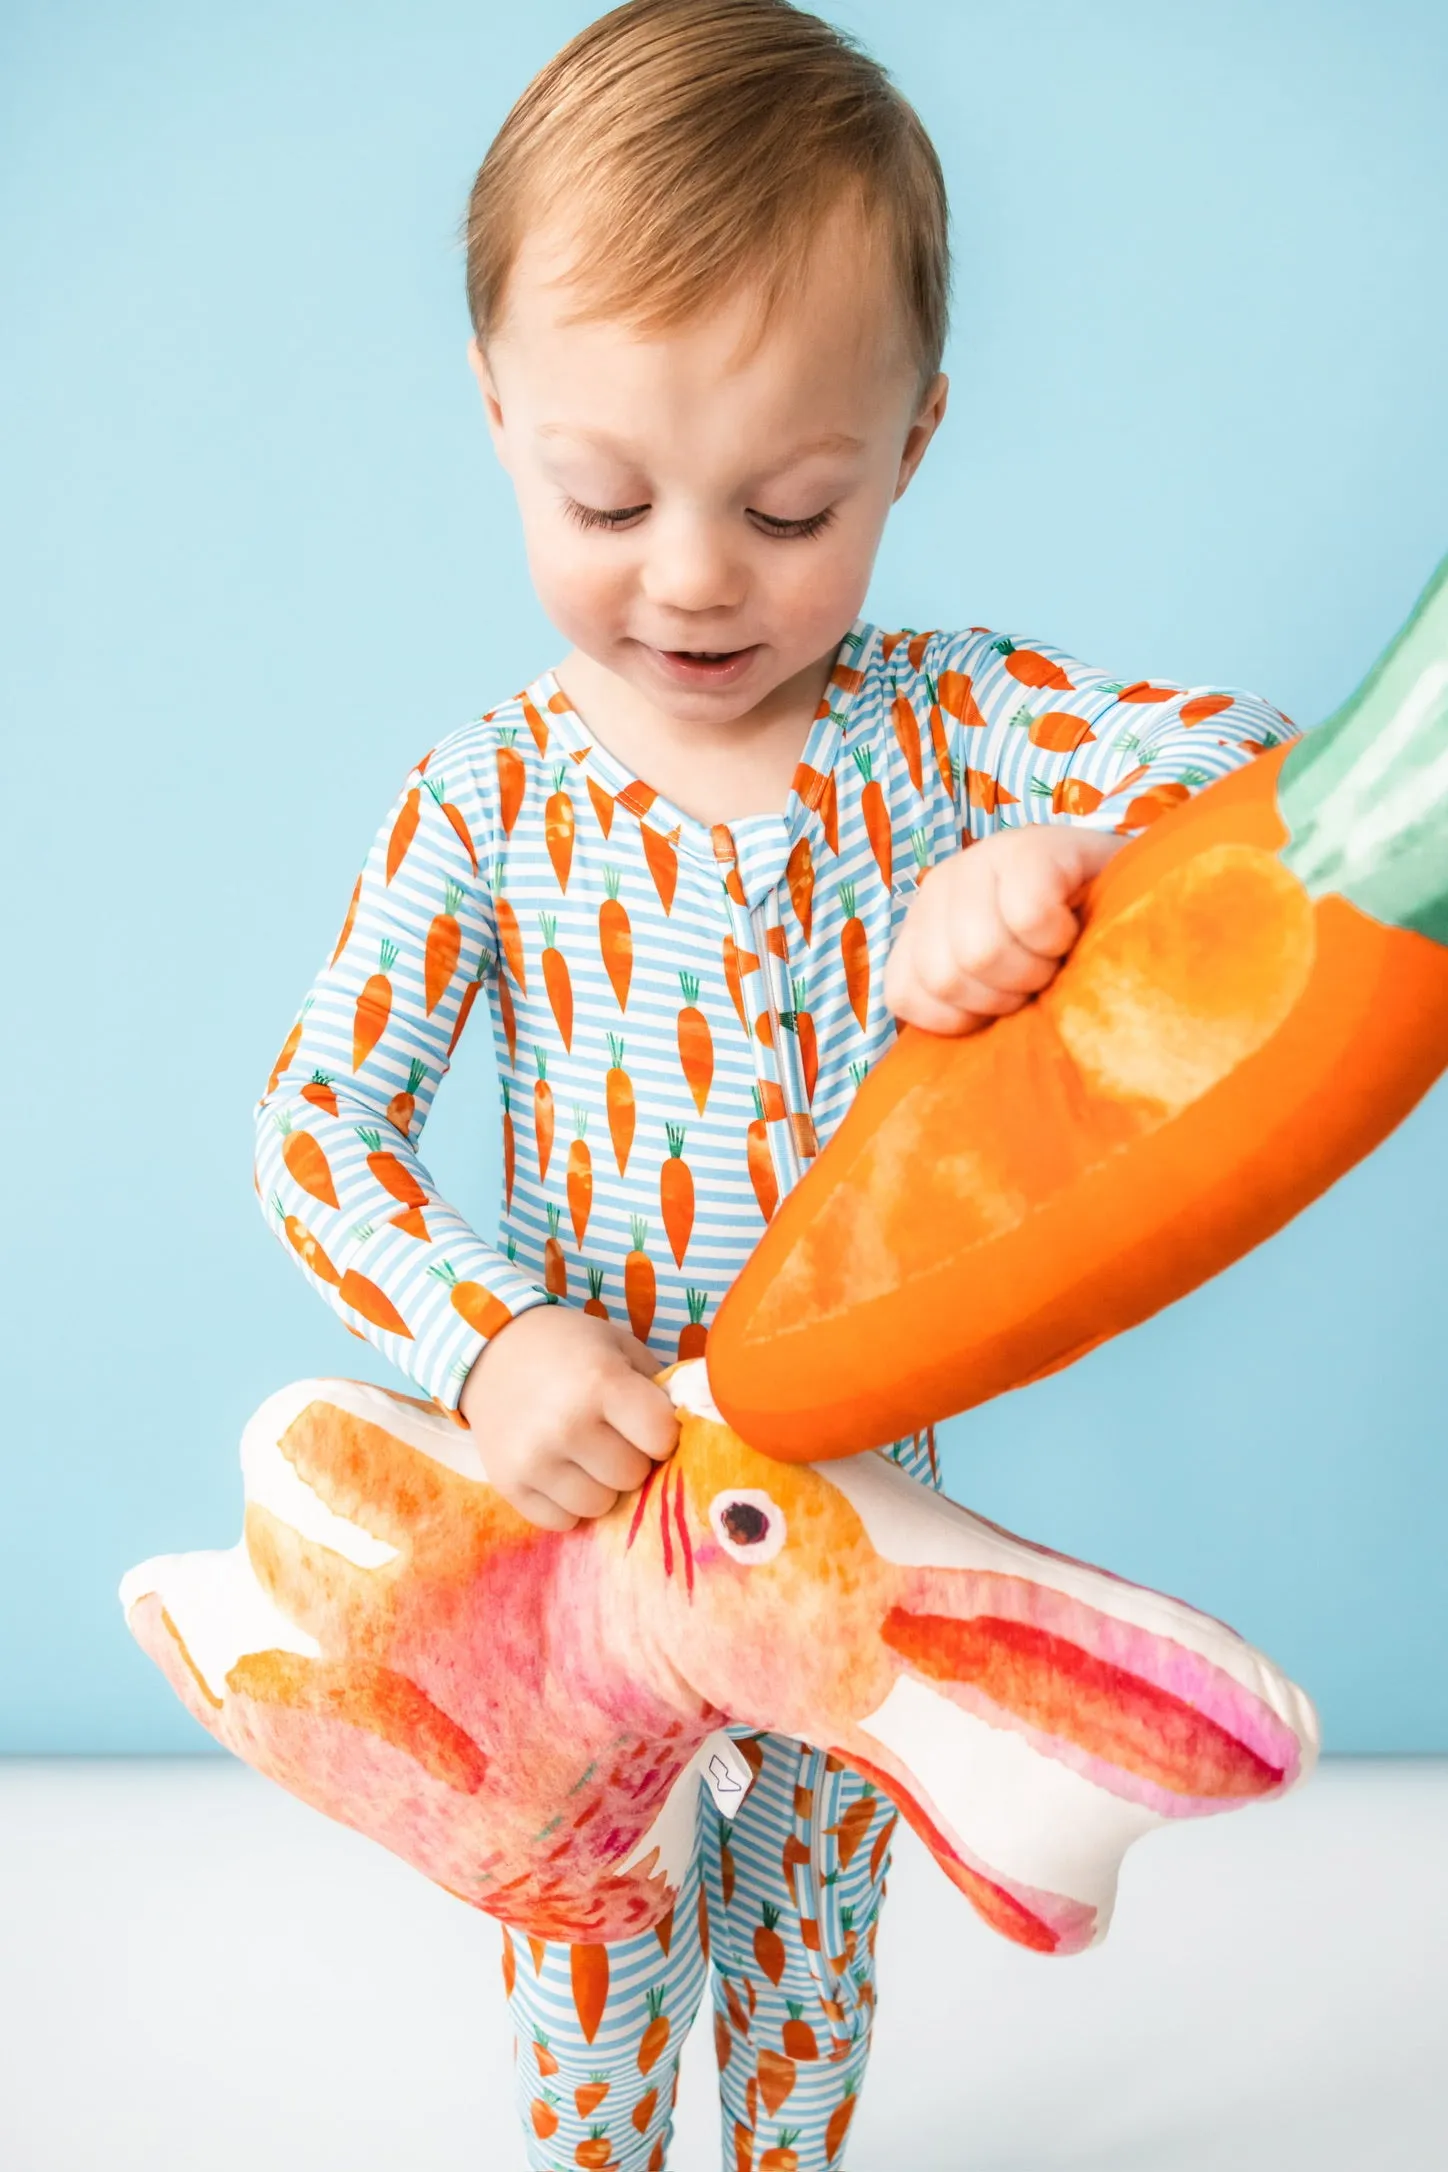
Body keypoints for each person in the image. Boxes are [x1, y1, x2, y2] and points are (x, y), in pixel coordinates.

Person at [253, 4, 1296, 2165]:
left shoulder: (948, 723)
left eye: (792, 502)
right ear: (496, 414)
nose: (701, 573)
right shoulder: (484, 799)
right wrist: (487, 1337)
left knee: (816, 1939)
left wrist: (1062, 859)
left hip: (847, 1539)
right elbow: (314, 1130)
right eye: (607, 495)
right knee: (596, 1939)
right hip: (566, 1550)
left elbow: (1262, 770)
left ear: (910, 440)